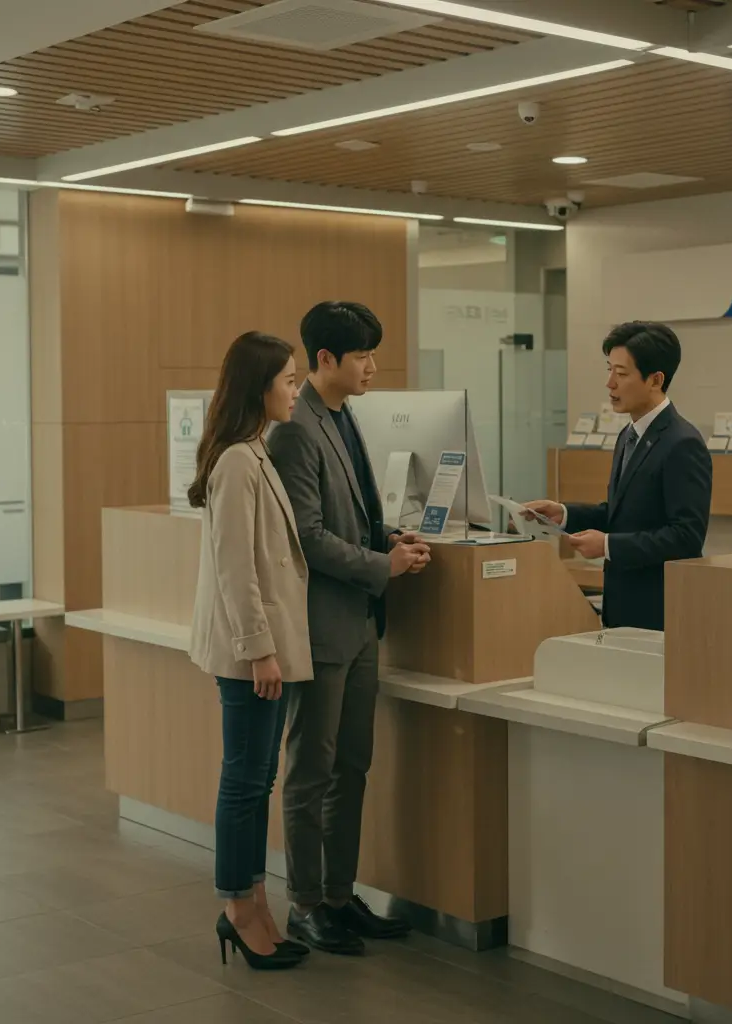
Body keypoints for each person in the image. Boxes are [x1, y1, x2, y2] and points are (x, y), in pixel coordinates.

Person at [268, 301, 430, 956]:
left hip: (359, 623)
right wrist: (383, 566)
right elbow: (306, 537)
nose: (372, 367)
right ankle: (305, 904)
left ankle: (339, 895)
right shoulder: (295, 430)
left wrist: (389, 540)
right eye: (362, 355)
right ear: (325, 358)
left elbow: (352, 515)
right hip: (321, 627)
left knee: (353, 765)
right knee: (312, 769)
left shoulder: (341, 415)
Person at [188, 331, 312, 972]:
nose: (296, 390)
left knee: (258, 779)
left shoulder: (253, 451)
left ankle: (256, 899)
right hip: (251, 654)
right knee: (244, 782)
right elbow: (236, 568)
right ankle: (238, 908)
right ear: (259, 388)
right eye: (288, 380)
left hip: (261, 649)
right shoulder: (238, 460)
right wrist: (260, 650)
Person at [526, 321, 712, 631]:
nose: (610, 383)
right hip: (622, 604)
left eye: (622, 374)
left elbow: (686, 537)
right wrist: (564, 514)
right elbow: (621, 514)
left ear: (655, 380)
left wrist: (609, 546)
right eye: (609, 370)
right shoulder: (628, 435)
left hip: (659, 610)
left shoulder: (682, 443)